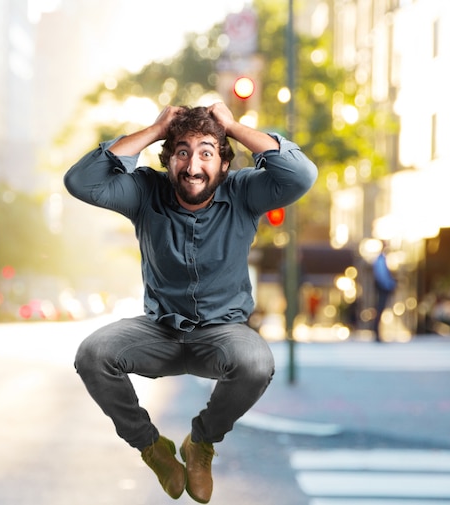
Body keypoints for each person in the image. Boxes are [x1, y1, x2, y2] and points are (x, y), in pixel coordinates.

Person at [63, 103, 317, 503]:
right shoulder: (145, 191)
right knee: (92, 354)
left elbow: (301, 174)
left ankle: (201, 443)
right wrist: (156, 128)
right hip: (158, 332)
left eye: (206, 152)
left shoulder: (245, 192)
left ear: (224, 162)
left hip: (222, 334)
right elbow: (81, 181)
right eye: (182, 152)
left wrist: (232, 125)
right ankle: (152, 447)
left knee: (256, 364)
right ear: (168, 160)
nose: (193, 165)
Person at [372, 247, 397, 342]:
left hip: (383, 287)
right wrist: (390, 285)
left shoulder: (381, 260)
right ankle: (376, 332)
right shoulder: (381, 260)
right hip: (383, 288)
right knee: (379, 310)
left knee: (380, 310)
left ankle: (377, 332)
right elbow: (382, 275)